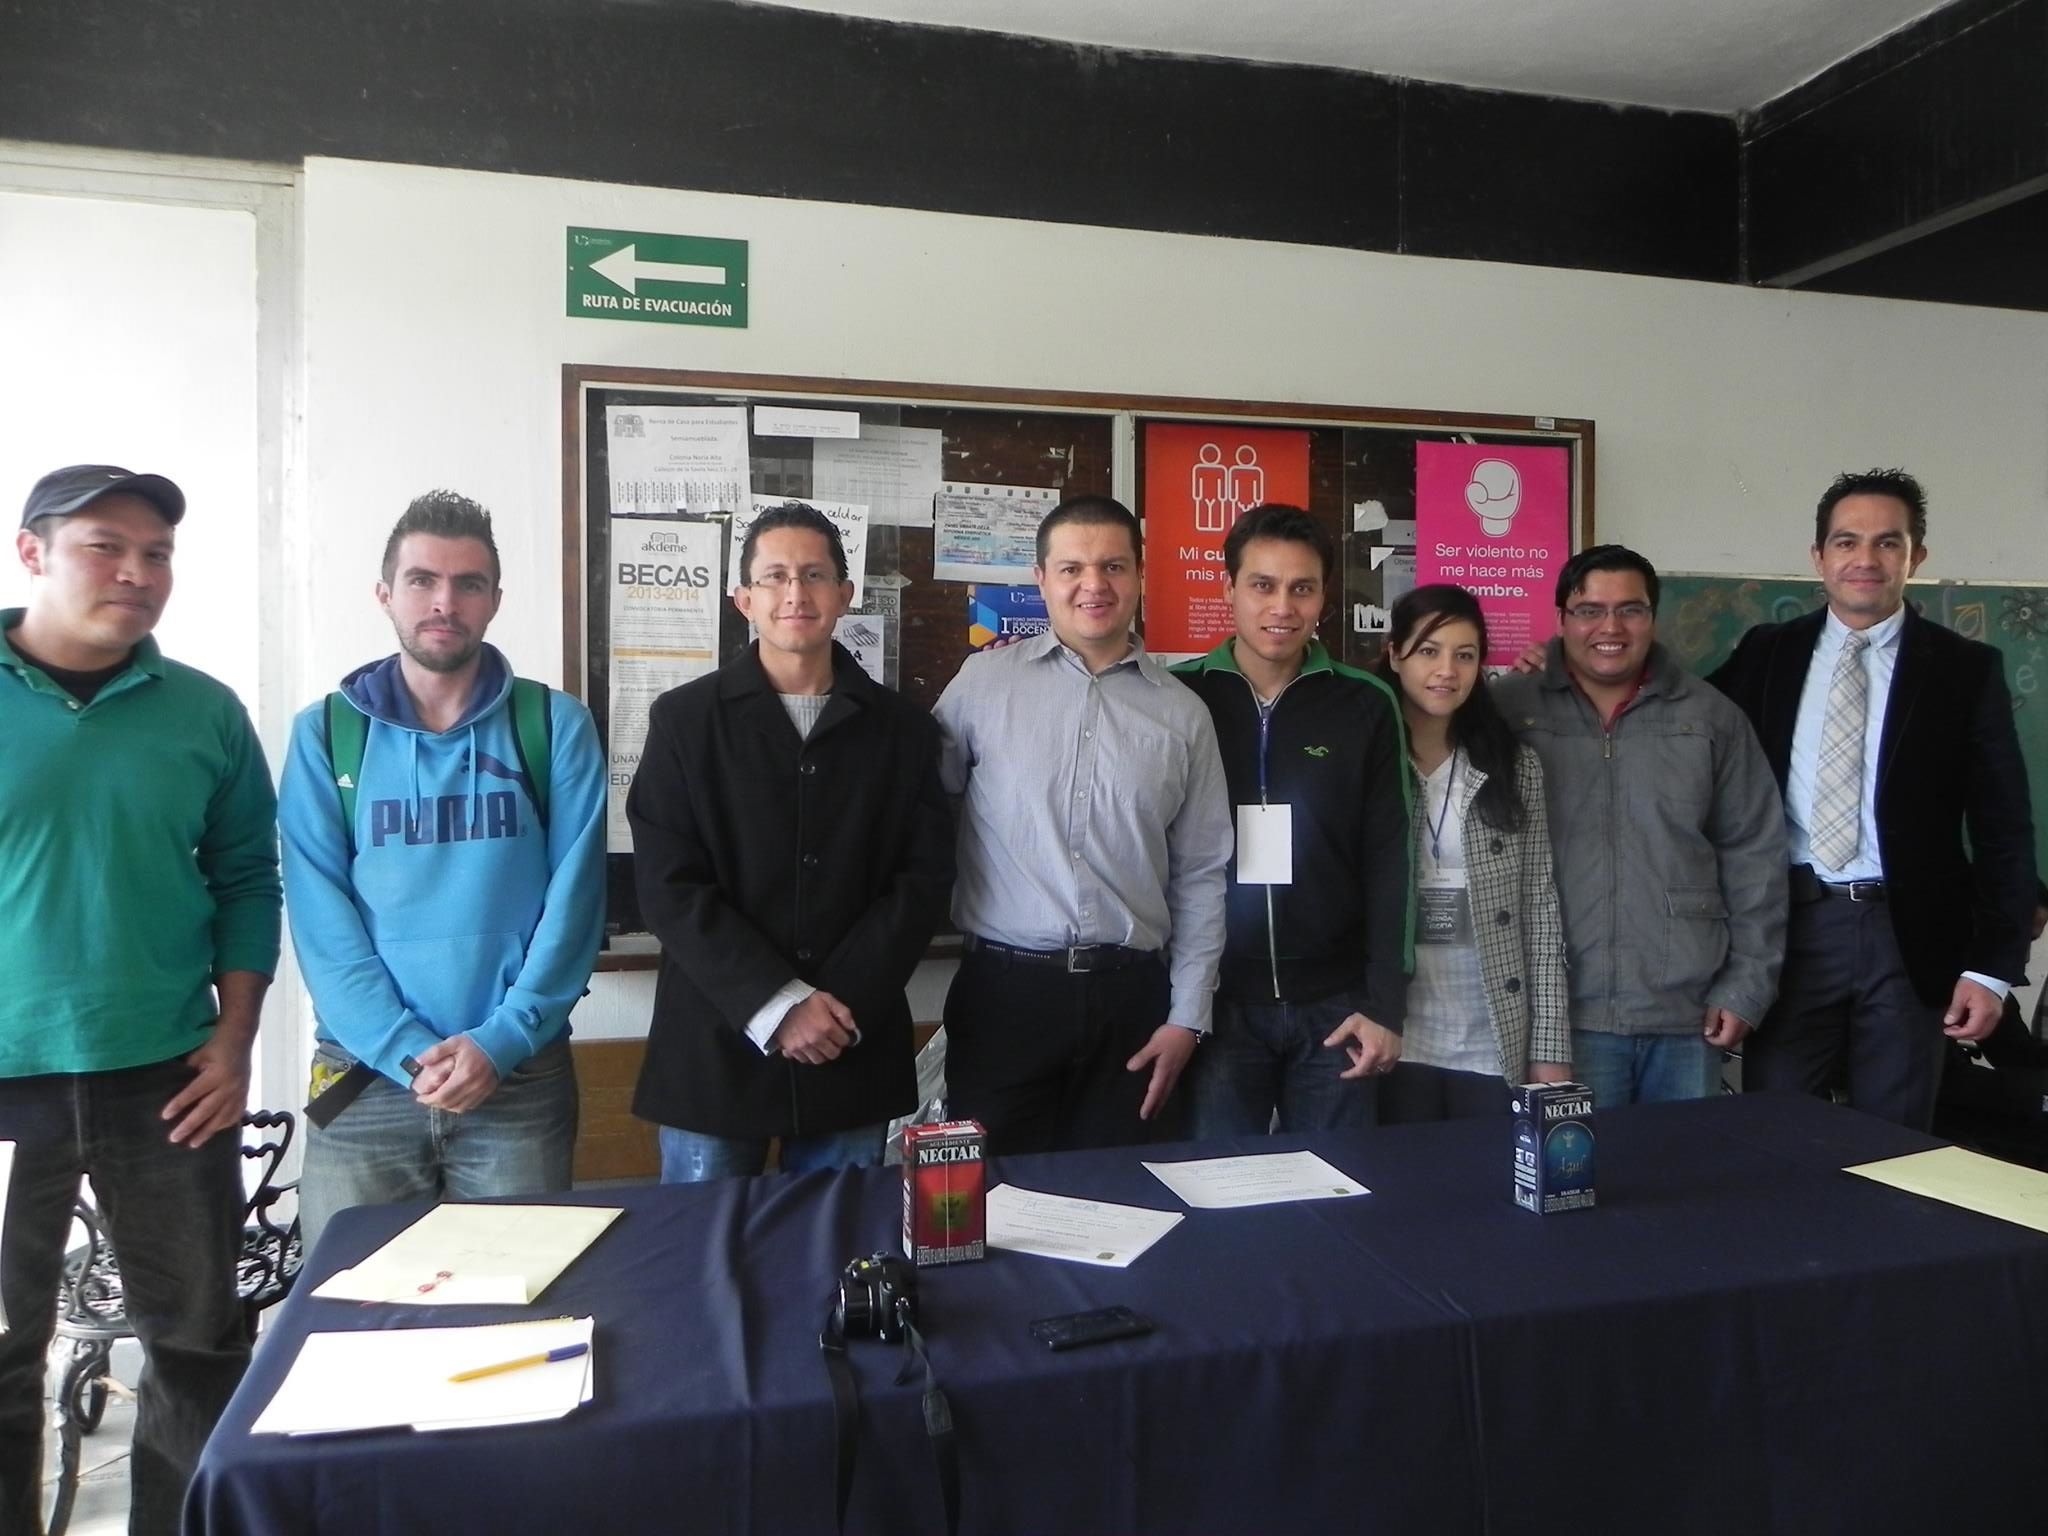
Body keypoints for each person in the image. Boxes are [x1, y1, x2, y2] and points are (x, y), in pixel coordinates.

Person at [0, 465, 280, 1535]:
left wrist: (235, 1038)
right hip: (8, 1080)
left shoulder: (204, 712)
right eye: (105, 547)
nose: (136, 572)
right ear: (32, 552)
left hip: (168, 1081)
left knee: (198, 1343)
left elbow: (247, 880)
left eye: (156, 553)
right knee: (6, 1350)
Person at [280, 490, 605, 1246]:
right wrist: (402, 1048)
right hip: (365, 1078)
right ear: (385, 593)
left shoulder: (553, 725)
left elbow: (577, 902)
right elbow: (319, 916)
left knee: (516, 1296)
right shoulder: (326, 735)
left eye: (468, 584)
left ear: (495, 600)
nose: (444, 603)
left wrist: (501, 1041)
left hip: (518, 1076)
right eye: (422, 580)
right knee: (351, 1300)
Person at [628, 503, 952, 1179]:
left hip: (849, 1039)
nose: (795, 593)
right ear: (743, 599)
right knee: (710, 1243)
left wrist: (829, 1009)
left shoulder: (904, 731)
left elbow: (920, 883)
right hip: (716, 1046)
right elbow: (668, 886)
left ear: (845, 593)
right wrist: (779, 1006)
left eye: (814, 575)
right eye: (774, 577)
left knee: (838, 1239)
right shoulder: (685, 721)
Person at [1708, 469, 2037, 1128]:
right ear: (1818, 557)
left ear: (1916, 557)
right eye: (1846, 541)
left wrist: (1992, 969)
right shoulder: (1767, 653)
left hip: (1910, 939)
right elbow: (1678, 717)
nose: (1865, 559)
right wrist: (1563, 669)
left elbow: (2004, 826)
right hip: (1791, 929)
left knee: (1896, 1145)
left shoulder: (1964, 669)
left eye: (1888, 542)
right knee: (1776, 1131)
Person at [935, 493, 1231, 1154]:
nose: (1093, 585)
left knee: (1122, 1195)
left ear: (1141, 576)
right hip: (1004, 997)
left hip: (1133, 1003)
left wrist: (1188, 1016)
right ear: (1041, 579)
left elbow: (1202, 874)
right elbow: (923, 810)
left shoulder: (1184, 715)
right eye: (1072, 568)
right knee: (993, 1197)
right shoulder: (981, 685)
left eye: (1113, 566)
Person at [1494, 545, 1786, 1109]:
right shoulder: (1508, 710)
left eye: (1630, 610)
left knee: (1681, 1165)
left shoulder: (1711, 717)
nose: (1611, 628)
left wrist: (1747, 986)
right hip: (1556, 1019)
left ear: (1653, 616)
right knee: (1578, 1168)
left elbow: (1755, 853)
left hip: (1686, 1020)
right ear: (1561, 618)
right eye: (1590, 610)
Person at [1169, 504, 1411, 1134]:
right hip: (1215, 1003)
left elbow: (1391, 858)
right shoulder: (1178, 697)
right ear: (1228, 589)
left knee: (1340, 1182)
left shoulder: (1365, 702)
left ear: (1324, 597)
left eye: (1302, 588)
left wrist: (1386, 1003)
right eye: (1263, 585)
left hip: (1338, 1008)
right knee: (1220, 1183)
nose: (1282, 607)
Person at [1375, 585, 1570, 1118]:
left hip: (1491, 1033)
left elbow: (1540, 909)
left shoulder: (1512, 765)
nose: (1446, 671)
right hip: (1392, 1032)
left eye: (1465, 655)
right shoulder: (1369, 758)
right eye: (1428, 651)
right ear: (1395, 655)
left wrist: (1550, 1046)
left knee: (1484, 1167)